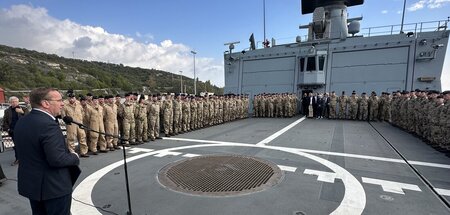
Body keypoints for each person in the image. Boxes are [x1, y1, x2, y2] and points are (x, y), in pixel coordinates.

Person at [14, 87, 80, 215]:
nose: (62, 103)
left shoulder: (22, 122)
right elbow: (57, 159)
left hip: (32, 186)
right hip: (53, 187)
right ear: (45, 103)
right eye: (59, 100)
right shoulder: (48, 125)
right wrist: (74, 157)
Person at [2, 96, 28, 166]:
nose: (14, 103)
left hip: (23, 130)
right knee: (15, 146)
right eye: (12, 102)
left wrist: (22, 113)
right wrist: (8, 129)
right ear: (10, 103)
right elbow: (5, 122)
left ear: (18, 102)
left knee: (25, 145)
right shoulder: (7, 111)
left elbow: (29, 119)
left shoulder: (24, 109)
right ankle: (18, 159)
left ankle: (26, 158)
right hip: (12, 130)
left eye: (16, 101)